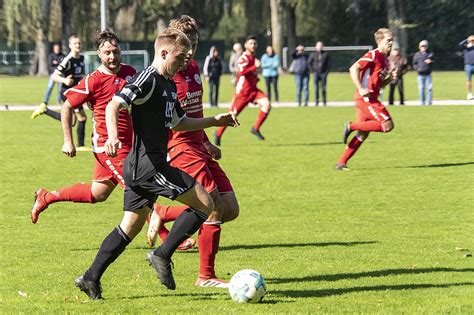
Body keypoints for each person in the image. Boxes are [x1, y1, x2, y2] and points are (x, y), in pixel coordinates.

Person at [74, 27, 239, 300]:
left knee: (129, 227)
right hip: (149, 166)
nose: (185, 62)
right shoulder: (148, 78)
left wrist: (214, 121)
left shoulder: (168, 82)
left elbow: (179, 122)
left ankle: (90, 277)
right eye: (180, 57)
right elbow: (115, 104)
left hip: (142, 166)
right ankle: (162, 254)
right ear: (163, 53)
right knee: (206, 204)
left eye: (187, 58)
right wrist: (113, 137)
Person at [146, 15, 240, 288]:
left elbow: (193, 111)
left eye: (195, 44)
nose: (190, 51)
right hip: (181, 147)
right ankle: (205, 276)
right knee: (213, 209)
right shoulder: (167, 71)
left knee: (230, 208)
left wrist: (208, 141)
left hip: (199, 144)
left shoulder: (194, 66)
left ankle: (163, 213)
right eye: (186, 45)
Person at [30, 31, 136, 224]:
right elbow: (67, 106)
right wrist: (68, 142)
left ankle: (47, 196)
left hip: (130, 142)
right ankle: (167, 240)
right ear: (99, 54)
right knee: (138, 189)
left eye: (115, 51)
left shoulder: (130, 73)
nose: (112, 56)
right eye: (107, 53)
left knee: (98, 193)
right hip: (108, 146)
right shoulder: (93, 80)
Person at [335, 28, 397, 171]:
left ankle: (341, 163)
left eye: (392, 40)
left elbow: (379, 84)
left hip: (370, 98)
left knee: (363, 134)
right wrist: (361, 88)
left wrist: (389, 79)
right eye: (388, 40)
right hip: (366, 99)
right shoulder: (372, 54)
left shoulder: (384, 60)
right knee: (387, 125)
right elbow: (353, 68)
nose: (391, 43)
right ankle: (351, 126)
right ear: (380, 41)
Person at [31, 35, 89, 150]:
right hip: (68, 92)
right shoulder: (67, 60)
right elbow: (54, 76)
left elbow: (79, 75)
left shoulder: (81, 59)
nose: (78, 45)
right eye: (75, 43)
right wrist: (65, 80)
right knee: (81, 118)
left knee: (72, 121)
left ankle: (45, 110)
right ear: (70, 46)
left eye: (79, 43)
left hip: (76, 92)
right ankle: (81, 145)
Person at [214, 35, 272, 145]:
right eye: (251, 43)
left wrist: (255, 74)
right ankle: (218, 133)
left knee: (267, 105)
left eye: (254, 43)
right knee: (231, 116)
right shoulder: (243, 58)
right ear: (245, 45)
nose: (253, 45)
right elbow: (242, 72)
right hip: (243, 93)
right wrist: (255, 67)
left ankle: (255, 128)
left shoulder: (254, 58)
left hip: (253, 91)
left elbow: (251, 73)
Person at [34, 43, 64, 110]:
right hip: (53, 74)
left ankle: (58, 100)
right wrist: (57, 64)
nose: (57, 50)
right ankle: (45, 100)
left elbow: (63, 65)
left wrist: (57, 63)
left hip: (61, 75)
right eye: (56, 49)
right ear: (54, 49)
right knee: (49, 87)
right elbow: (50, 65)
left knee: (60, 89)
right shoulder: (51, 56)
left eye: (58, 48)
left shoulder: (62, 56)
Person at [412, 40, 434, 106]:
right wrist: (417, 68)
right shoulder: (417, 54)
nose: (423, 47)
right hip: (420, 74)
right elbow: (414, 64)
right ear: (419, 47)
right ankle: (422, 102)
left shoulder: (430, 54)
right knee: (421, 88)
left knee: (429, 88)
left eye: (425, 46)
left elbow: (435, 61)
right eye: (422, 46)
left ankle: (429, 102)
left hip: (428, 74)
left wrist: (431, 61)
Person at [308, 41, 330, 106]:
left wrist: (326, 72)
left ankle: (324, 101)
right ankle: (316, 101)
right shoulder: (313, 54)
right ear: (316, 47)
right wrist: (312, 71)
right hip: (316, 73)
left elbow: (329, 64)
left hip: (323, 73)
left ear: (322, 47)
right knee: (316, 88)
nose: (319, 47)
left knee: (323, 88)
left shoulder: (326, 54)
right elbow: (309, 63)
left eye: (321, 46)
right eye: (318, 46)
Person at [459, 35, 474, 100]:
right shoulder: (466, 47)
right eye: (472, 40)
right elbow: (460, 44)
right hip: (468, 65)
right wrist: (467, 39)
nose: (472, 41)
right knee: (468, 80)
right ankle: (469, 94)